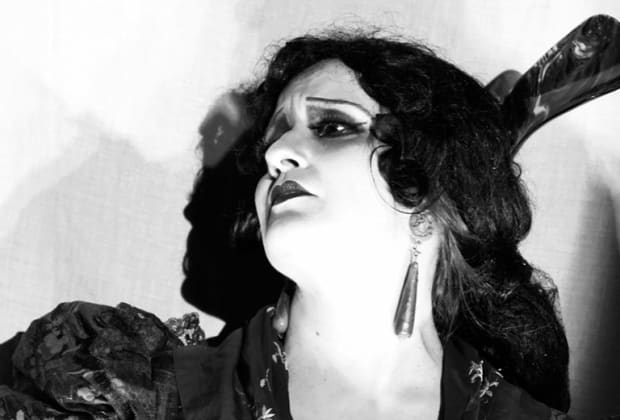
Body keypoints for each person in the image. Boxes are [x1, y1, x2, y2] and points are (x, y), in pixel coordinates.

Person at [0, 29, 588, 419]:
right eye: (273, 142)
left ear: (434, 195)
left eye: (332, 127)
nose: (278, 153)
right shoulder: (127, 389)